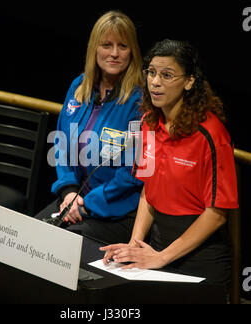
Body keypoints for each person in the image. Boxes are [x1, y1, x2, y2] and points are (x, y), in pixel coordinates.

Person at [100, 39, 239, 288]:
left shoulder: (210, 134)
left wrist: (162, 258)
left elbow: (217, 214)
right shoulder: (148, 123)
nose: (155, 82)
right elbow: (148, 193)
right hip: (156, 247)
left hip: (200, 258)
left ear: (189, 81)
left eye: (167, 75)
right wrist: (134, 245)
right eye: (151, 73)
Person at [36, 11, 144, 243]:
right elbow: (61, 145)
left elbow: (134, 174)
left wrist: (86, 203)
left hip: (116, 212)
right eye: (106, 45)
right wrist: (69, 192)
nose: (114, 53)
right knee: (31, 238)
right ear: (94, 48)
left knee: (61, 245)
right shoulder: (79, 85)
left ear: (132, 51)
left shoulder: (140, 103)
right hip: (74, 199)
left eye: (122, 46)